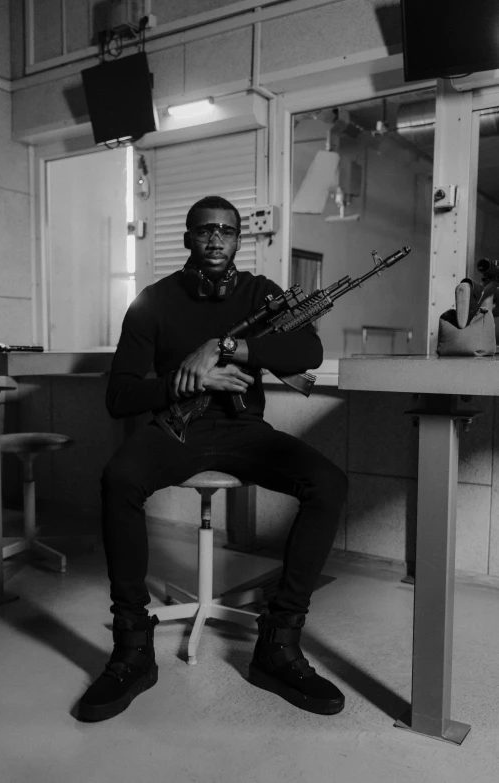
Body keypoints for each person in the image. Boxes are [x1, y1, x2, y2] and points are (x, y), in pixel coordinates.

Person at [77, 195, 348, 722]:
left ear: (239, 239)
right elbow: (120, 397)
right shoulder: (152, 302)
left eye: (226, 230)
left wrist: (228, 347)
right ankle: (133, 649)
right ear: (187, 238)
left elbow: (307, 354)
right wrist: (188, 380)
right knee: (120, 479)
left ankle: (279, 644)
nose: (216, 238)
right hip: (176, 431)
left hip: (247, 431)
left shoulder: (262, 294)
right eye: (205, 230)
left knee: (329, 483)